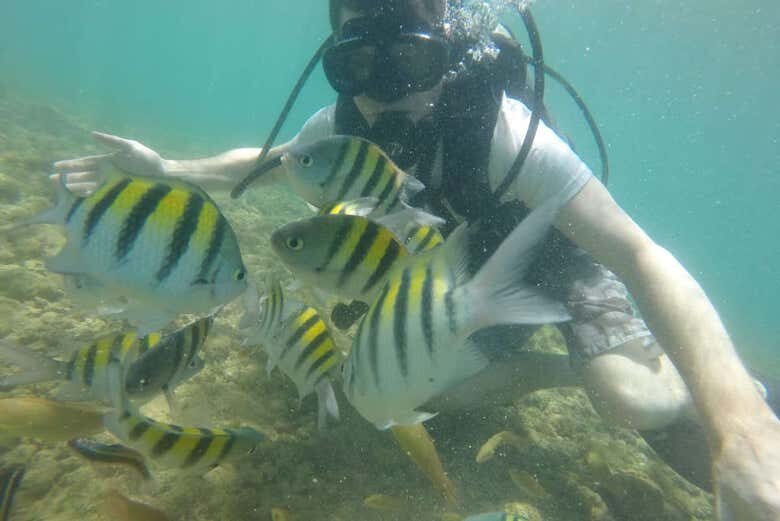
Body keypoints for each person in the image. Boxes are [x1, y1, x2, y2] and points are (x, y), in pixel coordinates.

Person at [52, 1, 780, 519]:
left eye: (407, 60)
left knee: (634, 399)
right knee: (417, 398)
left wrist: (738, 425)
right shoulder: (342, 129)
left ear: (446, 46)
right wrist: (167, 166)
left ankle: (746, 392)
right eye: (355, 64)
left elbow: (637, 251)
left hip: (553, 258)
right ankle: (547, 375)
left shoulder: (500, 130)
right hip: (457, 279)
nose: (380, 93)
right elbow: (271, 162)